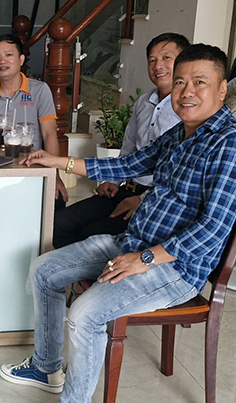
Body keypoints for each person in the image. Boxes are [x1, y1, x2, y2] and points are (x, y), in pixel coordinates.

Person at [2, 44, 236, 403]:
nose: (186, 92)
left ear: (222, 89)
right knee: (44, 269)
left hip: (175, 267)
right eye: (180, 82)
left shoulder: (233, 146)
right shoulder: (181, 134)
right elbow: (127, 166)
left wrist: (144, 259)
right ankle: (46, 366)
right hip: (133, 242)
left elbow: (212, 230)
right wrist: (58, 161)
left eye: (199, 82)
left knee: (84, 314)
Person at [53, 33, 190, 248]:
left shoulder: (189, 110)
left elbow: (183, 175)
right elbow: (129, 149)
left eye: (166, 58)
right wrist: (113, 181)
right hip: (126, 189)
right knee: (59, 224)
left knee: (91, 236)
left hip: (156, 200)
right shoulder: (144, 102)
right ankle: (70, 269)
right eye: (152, 60)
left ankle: (95, 269)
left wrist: (144, 201)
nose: (157, 66)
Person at [0, 33, 69, 206]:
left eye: (8, 55)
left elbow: (49, 134)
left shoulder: (39, 90)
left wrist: (55, 175)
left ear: (21, 59)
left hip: (30, 165)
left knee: (55, 202)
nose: (2, 61)